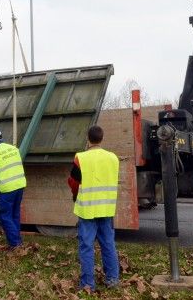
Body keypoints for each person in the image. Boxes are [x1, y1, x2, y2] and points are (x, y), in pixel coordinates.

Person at [67, 125, 119, 291]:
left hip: (88, 210)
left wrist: (75, 195)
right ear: (102, 138)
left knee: (86, 246)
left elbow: (73, 182)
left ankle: (88, 284)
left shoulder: (80, 158)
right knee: (108, 244)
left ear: (88, 139)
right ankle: (112, 279)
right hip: (107, 209)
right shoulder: (113, 158)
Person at [0, 128, 27, 249]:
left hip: (7, 189)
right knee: (15, 214)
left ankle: (15, 245)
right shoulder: (14, 149)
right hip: (20, 185)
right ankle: (18, 241)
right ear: (1, 137)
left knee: (5, 216)